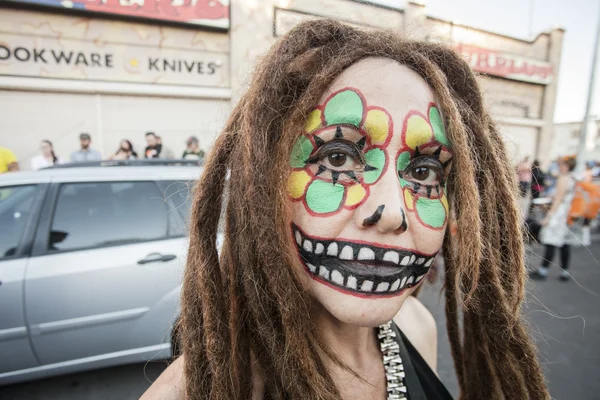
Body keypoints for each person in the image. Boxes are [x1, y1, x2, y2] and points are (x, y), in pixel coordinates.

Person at [142, 20, 548, 400]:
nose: (391, 212)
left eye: (424, 171)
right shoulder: (197, 391)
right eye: (337, 158)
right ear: (262, 184)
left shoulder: (417, 327)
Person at [530, 155, 581, 281]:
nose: (559, 167)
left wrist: (548, 217)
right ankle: (565, 272)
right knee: (564, 244)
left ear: (566, 166)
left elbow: (558, 200)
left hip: (559, 215)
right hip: (567, 214)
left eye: (561, 165)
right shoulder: (574, 177)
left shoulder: (564, 178)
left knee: (551, 243)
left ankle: (543, 271)